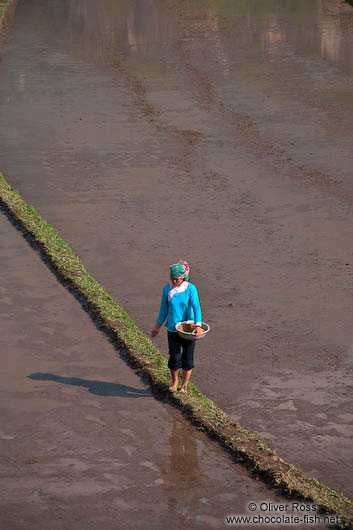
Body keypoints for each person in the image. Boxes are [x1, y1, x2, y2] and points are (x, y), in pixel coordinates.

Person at [151, 260, 203, 394]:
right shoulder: (167, 289)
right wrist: (157, 327)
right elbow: (163, 310)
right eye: (172, 279)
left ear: (183, 278)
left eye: (177, 280)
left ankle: (184, 385)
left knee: (188, 359)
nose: (174, 281)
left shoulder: (191, 288)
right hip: (173, 329)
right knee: (174, 357)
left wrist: (198, 325)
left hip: (189, 329)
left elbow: (196, 307)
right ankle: (174, 381)